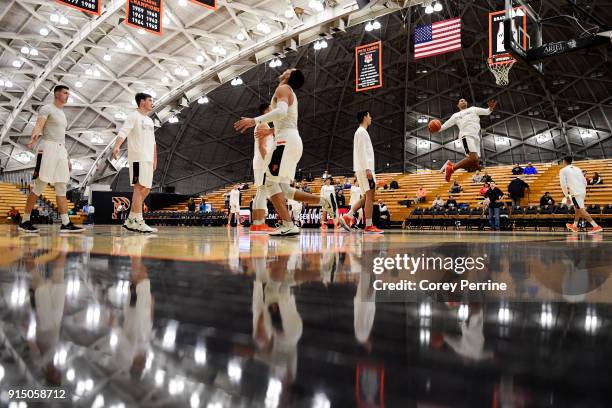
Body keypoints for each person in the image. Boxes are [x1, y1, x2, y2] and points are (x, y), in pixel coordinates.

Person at [233, 68, 337, 236]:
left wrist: (254, 120)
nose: (285, 70)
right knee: (285, 190)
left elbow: (281, 112)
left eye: (289, 69)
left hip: (285, 142)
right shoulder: (289, 92)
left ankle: (288, 224)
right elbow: (285, 118)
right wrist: (270, 131)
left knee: (269, 182)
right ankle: (324, 201)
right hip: (292, 141)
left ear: (288, 76)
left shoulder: (283, 89)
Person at [18, 85, 84, 233]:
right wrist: (33, 137)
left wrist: (67, 158)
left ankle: (66, 223)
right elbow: (39, 125)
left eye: (68, 93)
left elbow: (62, 137)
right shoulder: (47, 108)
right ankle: (25, 220)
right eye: (65, 93)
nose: (68, 96)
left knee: (61, 185)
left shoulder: (62, 113)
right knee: (39, 186)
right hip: (47, 148)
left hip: (61, 150)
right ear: (56, 94)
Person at [112, 92, 158, 233]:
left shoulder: (150, 120)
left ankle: (131, 219)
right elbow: (123, 132)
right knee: (139, 187)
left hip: (149, 159)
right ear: (142, 102)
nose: (152, 103)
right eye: (150, 100)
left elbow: (154, 143)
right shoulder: (133, 116)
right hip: (138, 157)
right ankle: (138, 221)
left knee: (147, 189)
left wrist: (155, 159)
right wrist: (117, 146)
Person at [339, 111, 383, 233]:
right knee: (370, 196)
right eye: (369, 116)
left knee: (366, 197)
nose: (371, 118)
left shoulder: (360, 132)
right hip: (365, 169)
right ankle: (369, 225)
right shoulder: (362, 132)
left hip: (362, 168)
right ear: (364, 117)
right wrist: (367, 168)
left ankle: (348, 216)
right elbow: (362, 152)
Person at [432, 98, 497, 181]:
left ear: (467, 103)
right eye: (461, 101)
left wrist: (491, 108)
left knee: (475, 166)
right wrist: (434, 129)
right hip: (465, 137)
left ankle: (450, 164)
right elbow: (444, 126)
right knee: (473, 158)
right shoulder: (456, 115)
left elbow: (487, 111)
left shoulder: (473, 109)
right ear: (458, 105)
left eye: (465, 100)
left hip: (476, 138)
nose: (463, 101)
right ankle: (451, 169)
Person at [249, 103, 276, 233]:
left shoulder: (261, 124)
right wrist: (269, 164)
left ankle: (257, 223)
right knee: (262, 192)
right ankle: (259, 224)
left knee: (261, 192)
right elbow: (262, 147)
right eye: (271, 110)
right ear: (266, 111)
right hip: (262, 163)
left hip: (259, 163)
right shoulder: (263, 124)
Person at [559, 156, 602, 233]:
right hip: (582, 191)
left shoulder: (563, 170)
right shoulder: (578, 168)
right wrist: (582, 189)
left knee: (581, 210)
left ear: (564, 161)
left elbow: (563, 185)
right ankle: (574, 226)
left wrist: (566, 196)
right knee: (577, 209)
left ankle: (596, 226)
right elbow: (585, 181)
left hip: (575, 193)